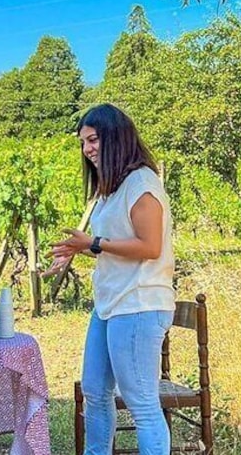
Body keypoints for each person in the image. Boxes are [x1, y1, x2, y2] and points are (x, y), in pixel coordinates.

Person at [48, 104, 175, 455]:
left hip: (138, 304)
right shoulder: (112, 188)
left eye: (93, 139)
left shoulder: (142, 184)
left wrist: (94, 242)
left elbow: (149, 246)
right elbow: (114, 247)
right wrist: (80, 249)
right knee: (95, 391)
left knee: (142, 403)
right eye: (83, 142)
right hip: (110, 305)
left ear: (115, 136)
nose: (87, 149)